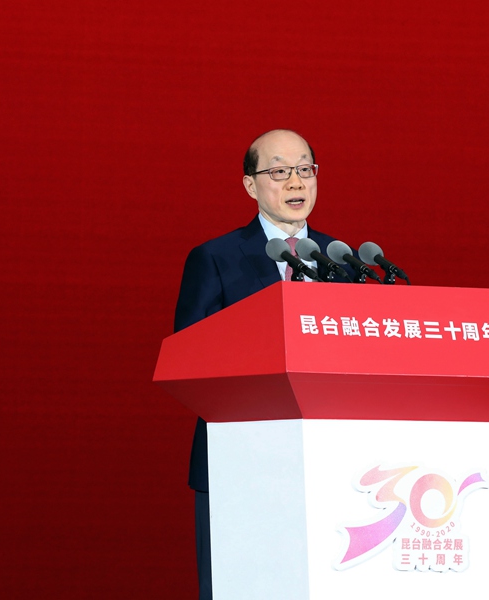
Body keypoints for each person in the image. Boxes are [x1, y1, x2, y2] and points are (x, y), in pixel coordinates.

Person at [173, 129, 353, 599]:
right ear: (250, 185)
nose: (296, 181)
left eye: (305, 169)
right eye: (279, 171)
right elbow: (189, 359)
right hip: (240, 459)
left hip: (329, 460)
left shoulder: (344, 262)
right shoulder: (215, 258)